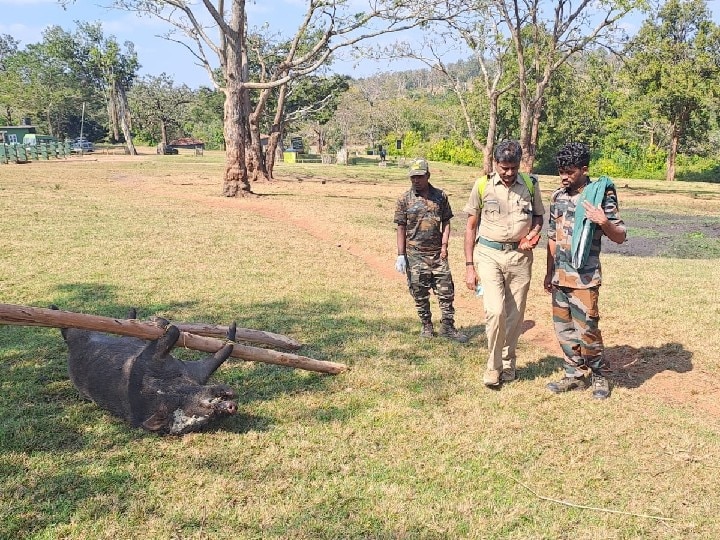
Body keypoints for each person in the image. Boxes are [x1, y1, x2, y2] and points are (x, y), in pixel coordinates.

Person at [544, 142, 626, 400]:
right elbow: (552, 237)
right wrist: (549, 272)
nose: (564, 177)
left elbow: (620, 236)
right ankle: (574, 375)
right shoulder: (557, 196)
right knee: (563, 330)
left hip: (585, 278)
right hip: (560, 276)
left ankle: (599, 375)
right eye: (561, 171)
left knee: (587, 330)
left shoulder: (599, 196)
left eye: (569, 172)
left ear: (584, 169)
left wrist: (603, 221)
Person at [463, 140, 545, 387]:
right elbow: (470, 227)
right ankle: (493, 366)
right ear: (495, 164)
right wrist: (469, 265)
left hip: (520, 258)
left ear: (519, 164)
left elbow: (538, 217)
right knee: (495, 311)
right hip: (488, 254)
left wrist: (534, 234)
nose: (508, 173)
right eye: (503, 167)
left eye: (513, 167)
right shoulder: (482, 185)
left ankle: (509, 363)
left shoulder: (530, 185)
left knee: (515, 315)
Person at [394, 158, 468, 342]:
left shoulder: (440, 196)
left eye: (419, 177)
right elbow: (401, 227)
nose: (416, 181)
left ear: (428, 175)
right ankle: (426, 326)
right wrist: (401, 255)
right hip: (415, 255)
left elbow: (447, 222)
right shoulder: (404, 199)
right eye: (413, 178)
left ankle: (448, 327)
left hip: (437, 254)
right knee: (419, 292)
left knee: (446, 292)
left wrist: (444, 246)